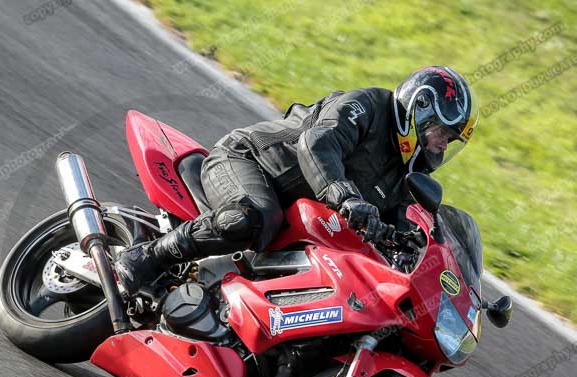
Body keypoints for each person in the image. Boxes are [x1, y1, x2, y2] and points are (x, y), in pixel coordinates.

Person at [115, 66, 479, 293]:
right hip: (248, 160)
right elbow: (318, 144)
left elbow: (405, 223)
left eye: (450, 140)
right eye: (441, 133)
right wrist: (346, 197)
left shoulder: (408, 176)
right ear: (419, 110)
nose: (441, 145)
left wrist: (426, 260)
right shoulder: (367, 106)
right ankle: (148, 257)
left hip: (299, 216)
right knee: (252, 217)